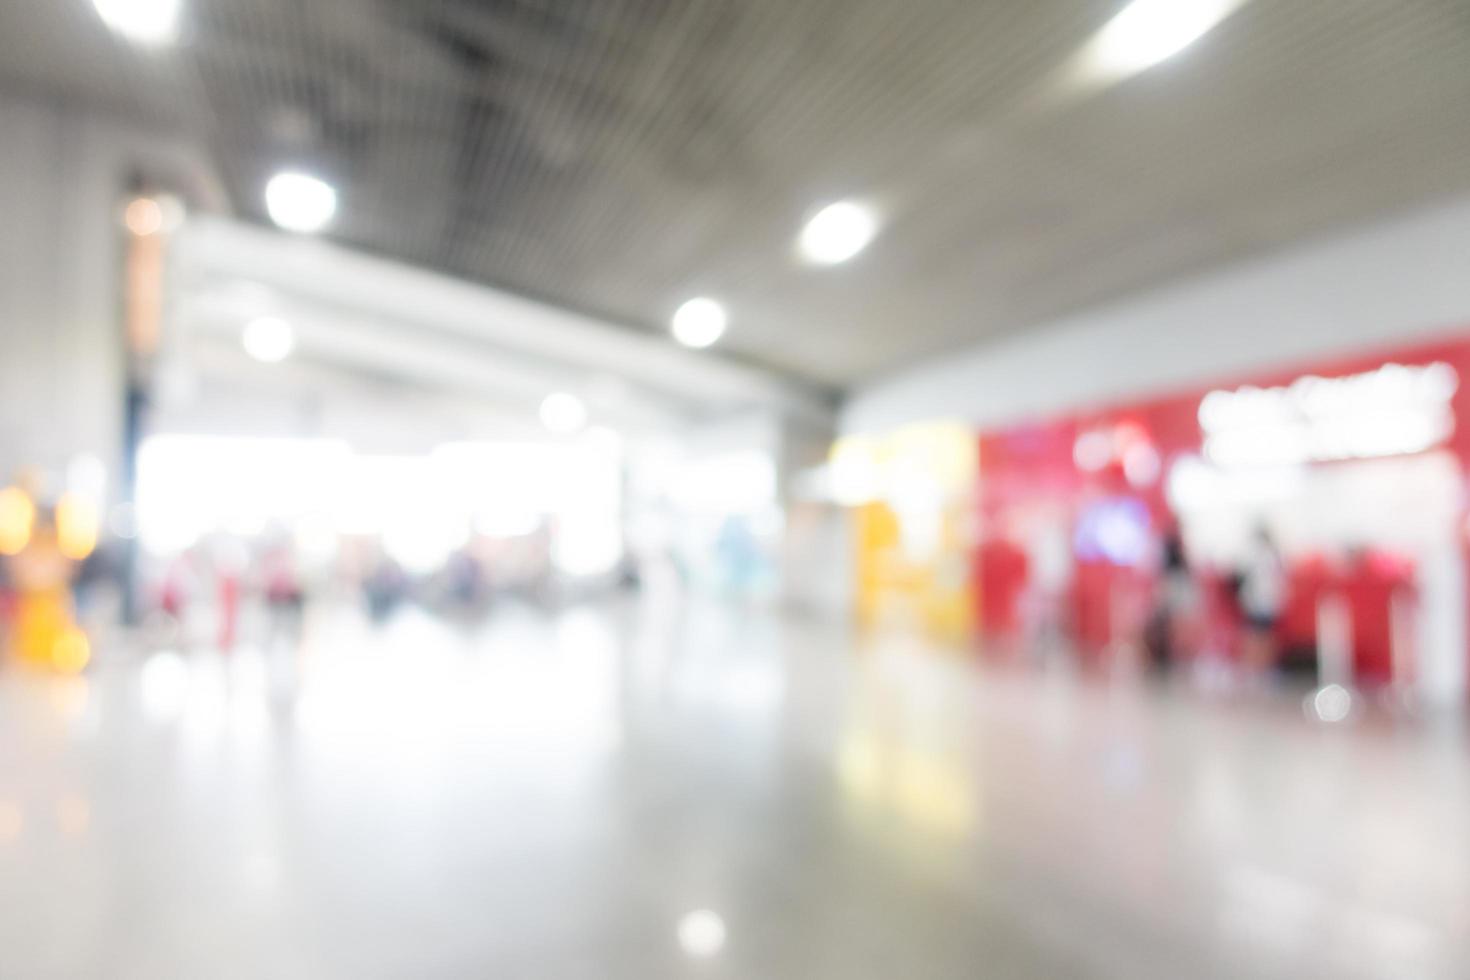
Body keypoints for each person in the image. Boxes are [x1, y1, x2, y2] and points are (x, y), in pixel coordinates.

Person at [1239, 525, 1286, 674]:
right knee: (1260, 636)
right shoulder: (1269, 556)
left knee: (1261, 637)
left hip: (1263, 602)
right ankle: (1257, 667)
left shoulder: (1264, 556)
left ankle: (1260, 667)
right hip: (1262, 602)